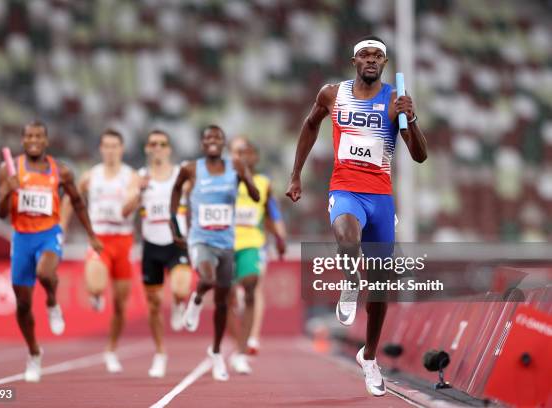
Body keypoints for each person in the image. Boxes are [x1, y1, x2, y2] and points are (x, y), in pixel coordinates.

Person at [286, 36, 427, 396]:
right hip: (345, 190)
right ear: (354, 61)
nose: (371, 60)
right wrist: (296, 174)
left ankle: (370, 356)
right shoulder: (332, 94)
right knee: (347, 237)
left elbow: (420, 155)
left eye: (377, 55)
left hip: (380, 197)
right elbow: (310, 125)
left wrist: (412, 118)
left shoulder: (396, 100)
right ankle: (351, 280)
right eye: (365, 54)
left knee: (380, 286)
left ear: (384, 62)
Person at [0, 121, 102, 382]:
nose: (34, 140)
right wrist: (7, 193)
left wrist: (91, 235)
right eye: (29, 136)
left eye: (39, 136)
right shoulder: (9, 170)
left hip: (48, 234)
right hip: (22, 238)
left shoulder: (61, 171)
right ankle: (34, 353)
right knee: (22, 304)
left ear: (46, 141)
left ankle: (52, 301)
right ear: (22, 141)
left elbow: (77, 202)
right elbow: (1, 213)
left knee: (45, 273)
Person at [169, 125, 259, 381]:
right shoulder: (191, 169)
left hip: (226, 243)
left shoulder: (236, 167)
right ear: (202, 144)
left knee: (221, 303)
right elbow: (176, 190)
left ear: (223, 143)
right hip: (201, 240)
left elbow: (253, 196)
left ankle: (216, 351)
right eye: (207, 137)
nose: (212, 141)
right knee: (206, 278)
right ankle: (196, 300)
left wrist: (246, 176)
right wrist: (172, 222)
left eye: (217, 138)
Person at [60, 129, 136, 373]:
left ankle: (111, 350)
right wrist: (61, 228)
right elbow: (71, 198)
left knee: (121, 305)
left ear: (121, 149)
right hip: (99, 238)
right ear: (101, 149)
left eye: (115, 146)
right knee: (95, 284)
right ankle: (95, 293)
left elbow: (135, 199)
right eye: (107, 145)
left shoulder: (130, 176)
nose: (111, 150)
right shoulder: (91, 176)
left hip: (123, 240)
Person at [122, 129, 192, 378]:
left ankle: (179, 302)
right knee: (153, 305)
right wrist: (139, 192)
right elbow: (125, 211)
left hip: (177, 244)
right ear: (147, 149)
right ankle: (161, 353)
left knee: (182, 288)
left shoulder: (181, 174)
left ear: (169, 149)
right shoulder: (139, 176)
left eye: (163, 143)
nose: (158, 148)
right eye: (153, 144)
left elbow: (200, 195)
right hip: (151, 246)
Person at [227, 137, 286, 374]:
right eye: (236, 152)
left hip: (254, 243)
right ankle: (238, 339)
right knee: (229, 297)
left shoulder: (262, 183)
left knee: (254, 284)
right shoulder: (223, 182)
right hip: (226, 245)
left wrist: (280, 238)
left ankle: (251, 338)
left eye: (245, 152)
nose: (240, 157)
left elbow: (273, 214)